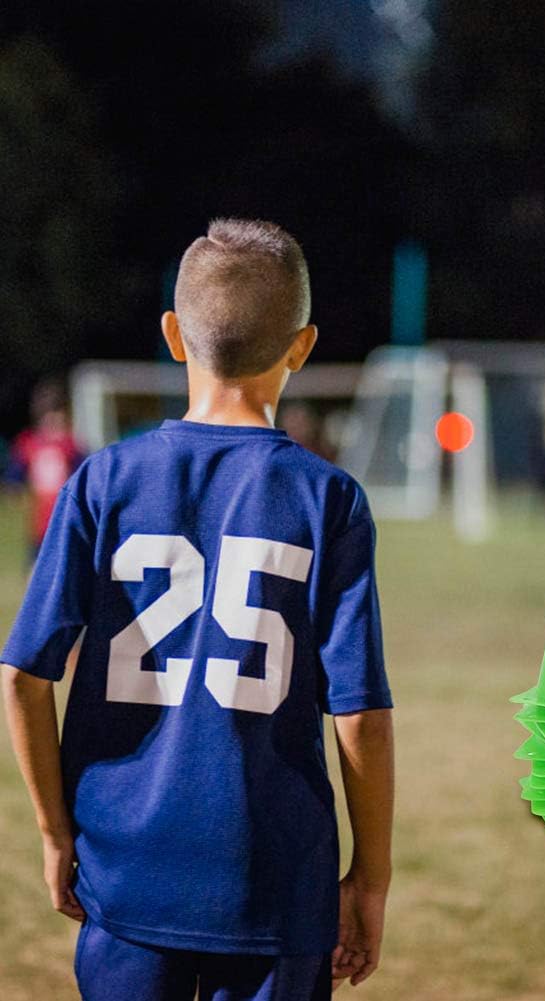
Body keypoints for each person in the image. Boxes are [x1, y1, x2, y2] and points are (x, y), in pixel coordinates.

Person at [1, 219, 395, 1001]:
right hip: (274, 883)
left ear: (174, 336)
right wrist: (370, 880)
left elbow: (21, 676)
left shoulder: (103, 480)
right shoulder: (329, 497)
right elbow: (361, 716)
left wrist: (54, 834)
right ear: (303, 345)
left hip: (127, 872)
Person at [5, 378, 86, 563]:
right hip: (39, 521)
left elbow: (84, 478)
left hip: (66, 518)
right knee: (37, 569)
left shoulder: (72, 445)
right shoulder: (29, 443)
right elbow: (14, 478)